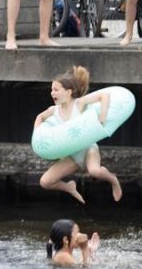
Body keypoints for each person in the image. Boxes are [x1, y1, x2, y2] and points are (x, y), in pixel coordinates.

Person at [35, 66, 122, 204]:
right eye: (51, 89)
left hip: (88, 149)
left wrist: (102, 116)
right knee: (45, 182)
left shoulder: (79, 104)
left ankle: (113, 180)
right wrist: (37, 136)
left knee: (94, 171)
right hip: (72, 155)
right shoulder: (54, 110)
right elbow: (40, 117)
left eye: (56, 90)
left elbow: (104, 95)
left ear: (68, 92)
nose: (52, 93)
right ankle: (69, 187)